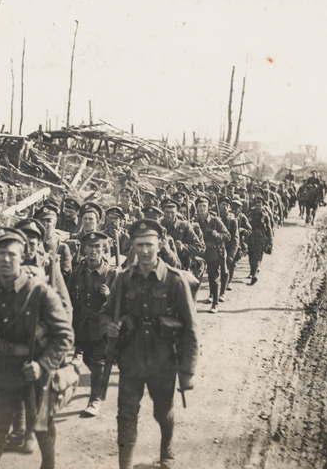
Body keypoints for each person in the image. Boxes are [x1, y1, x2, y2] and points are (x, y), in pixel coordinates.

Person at [0, 227, 74, 469]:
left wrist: (43, 365)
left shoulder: (39, 291)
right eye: (1, 253)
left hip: (35, 371)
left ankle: (48, 464)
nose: (6, 259)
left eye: (12, 255)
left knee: (42, 426)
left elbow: (65, 335)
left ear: (22, 257)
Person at [99, 219, 199, 469]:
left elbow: (191, 328)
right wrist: (107, 325)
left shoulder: (175, 281)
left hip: (163, 360)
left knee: (162, 412)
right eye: (139, 245)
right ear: (132, 246)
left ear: (159, 246)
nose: (144, 251)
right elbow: (105, 311)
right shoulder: (123, 280)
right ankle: (125, 464)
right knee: (125, 415)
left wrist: (187, 371)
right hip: (130, 358)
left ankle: (166, 453)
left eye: (149, 245)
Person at [67, 231, 118, 417]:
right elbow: (69, 296)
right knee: (88, 359)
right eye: (90, 247)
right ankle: (101, 379)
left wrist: (109, 296)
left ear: (103, 250)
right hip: (82, 325)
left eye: (97, 247)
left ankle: (94, 400)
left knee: (98, 362)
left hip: (102, 326)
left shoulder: (112, 274)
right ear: (84, 249)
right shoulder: (77, 273)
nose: (93, 251)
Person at [194, 196, 230, 313]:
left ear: (208, 207)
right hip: (199, 253)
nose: (202, 208)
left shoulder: (215, 221)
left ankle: (215, 303)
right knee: (195, 279)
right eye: (199, 206)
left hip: (212, 253)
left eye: (204, 205)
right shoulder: (195, 221)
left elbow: (227, 236)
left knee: (213, 278)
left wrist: (217, 235)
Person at [160, 198, 205, 272]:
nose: (170, 216)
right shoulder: (158, 225)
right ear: (162, 212)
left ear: (177, 212)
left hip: (182, 266)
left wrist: (183, 247)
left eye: (172, 213)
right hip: (162, 266)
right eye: (167, 212)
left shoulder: (184, 226)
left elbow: (198, 247)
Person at [34, 205, 73, 280]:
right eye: (42, 220)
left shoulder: (62, 247)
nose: (45, 223)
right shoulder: (31, 245)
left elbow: (66, 274)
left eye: (49, 221)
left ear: (54, 224)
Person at [247, 196, 273, 285]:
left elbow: (269, 229)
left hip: (260, 239)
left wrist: (270, 242)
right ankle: (252, 271)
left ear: (262, 206)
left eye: (260, 205)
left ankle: (254, 275)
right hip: (251, 238)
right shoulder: (250, 214)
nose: (258, 207)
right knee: (250, 256)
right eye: (257, 205)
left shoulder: (265, 216)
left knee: (257, 256)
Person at [217, 196, 239, 299]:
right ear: (219, 206)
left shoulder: (232, 220)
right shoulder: (215, 218)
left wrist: (231, 254)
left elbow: (235, 238)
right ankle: (213, 294)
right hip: (216, 249)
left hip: (227, 249)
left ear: (230, 207)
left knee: (225, 272)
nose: (225, 207)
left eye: (227, 205)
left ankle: (222, 293)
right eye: (223, 205)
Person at [229, 198, 252, 288]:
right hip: (226, 241)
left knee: (232, 262)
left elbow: (250, 229)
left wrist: (243, 231)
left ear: (240, 208)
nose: (234, 208)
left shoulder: (242, 217)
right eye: (233, 206)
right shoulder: (228, 215)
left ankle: (229, 281)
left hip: (237, 242)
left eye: (237, 207)